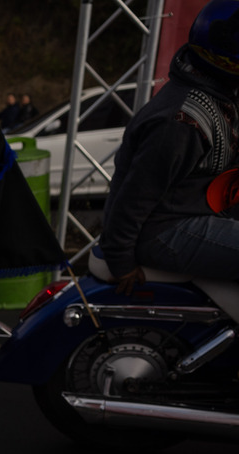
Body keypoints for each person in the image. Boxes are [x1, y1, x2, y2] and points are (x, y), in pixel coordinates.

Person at [101, 0, 239, 293]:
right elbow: (135, 196)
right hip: (163, 229)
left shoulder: (218, 95)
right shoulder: (182, 120)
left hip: (197, 212)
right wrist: (120, 261)